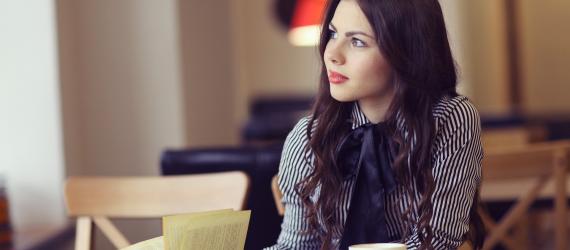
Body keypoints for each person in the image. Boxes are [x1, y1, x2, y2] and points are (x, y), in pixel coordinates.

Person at [265, 0, 485, 249]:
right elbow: (296, 246)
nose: (332, 54)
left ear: (405, 49)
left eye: (357, 41)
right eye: (333, 33)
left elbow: (438, 241)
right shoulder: (309, 136)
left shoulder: (450, 119)